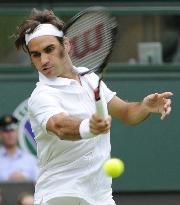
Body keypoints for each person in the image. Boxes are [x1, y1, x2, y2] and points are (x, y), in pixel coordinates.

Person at [14, 8, 173, 205]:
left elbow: (126, 113)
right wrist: (88, 127)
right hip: (62, 194)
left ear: (66, 44)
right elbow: (60, 126)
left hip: (100, 196)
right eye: (36, 55)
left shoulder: (88, 77)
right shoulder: (42, 95)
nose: (43, 60)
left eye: (49, 49)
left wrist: (145, 107)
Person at [0, 114, 38, 182]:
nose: (10, 134)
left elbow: (39, 184)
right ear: (0, 134)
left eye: (12, 130)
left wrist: (24, 178)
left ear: (17, 133)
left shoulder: (30, 159)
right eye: (6, 131)